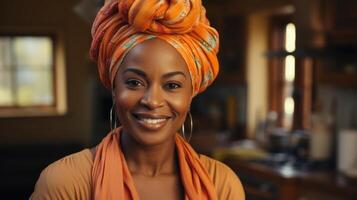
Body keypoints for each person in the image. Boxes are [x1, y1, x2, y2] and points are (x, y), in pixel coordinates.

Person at [31, 0, 245, 199]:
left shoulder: (221, 185)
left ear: (191, 94)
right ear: (114, 88)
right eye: (134, 82)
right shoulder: (65, 183)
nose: (152, 101)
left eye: (172, 85)